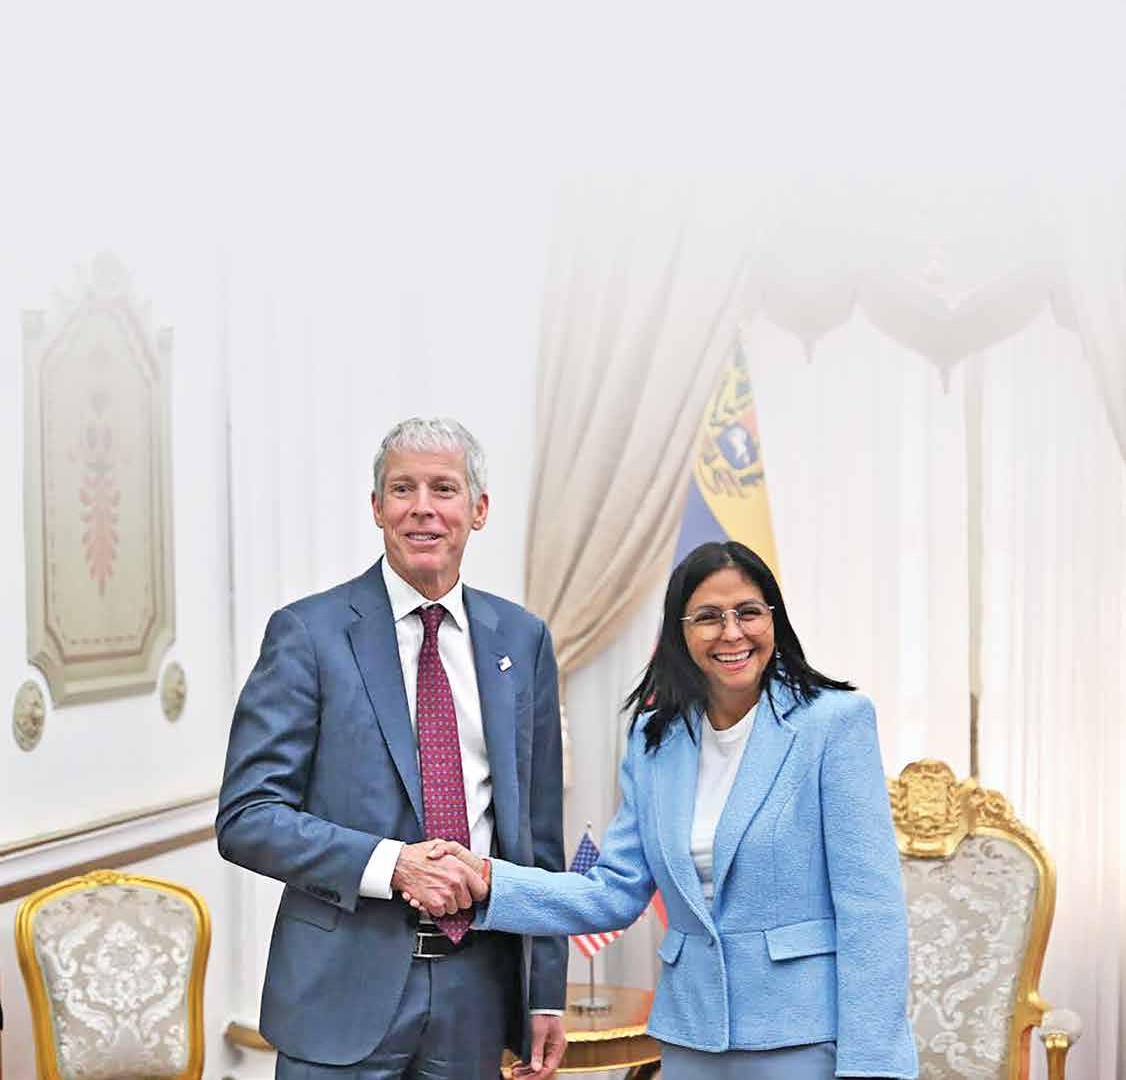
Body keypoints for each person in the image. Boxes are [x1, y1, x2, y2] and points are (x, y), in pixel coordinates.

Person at [427, 540, 918, 1080]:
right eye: (708, 617)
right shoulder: (654, 739)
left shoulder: (835, 723)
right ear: (679, 633)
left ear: (773, 620)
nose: (732, 632)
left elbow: (871, 914)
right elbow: (613, 891)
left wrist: (873, 1067)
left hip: (803, 1035)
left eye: (749, 612)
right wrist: (489, 881)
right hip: (691, 1037)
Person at [217, 417, 569, 1080]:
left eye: (444, 488)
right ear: (377, 507)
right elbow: (248, 818)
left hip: (476, 992)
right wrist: (393, 865)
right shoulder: (308, 634)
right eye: (403, 489)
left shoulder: (521, 641)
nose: (423, 508)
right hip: (338, 994)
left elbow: (539, 836)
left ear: (479, 509)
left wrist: (545, 991)